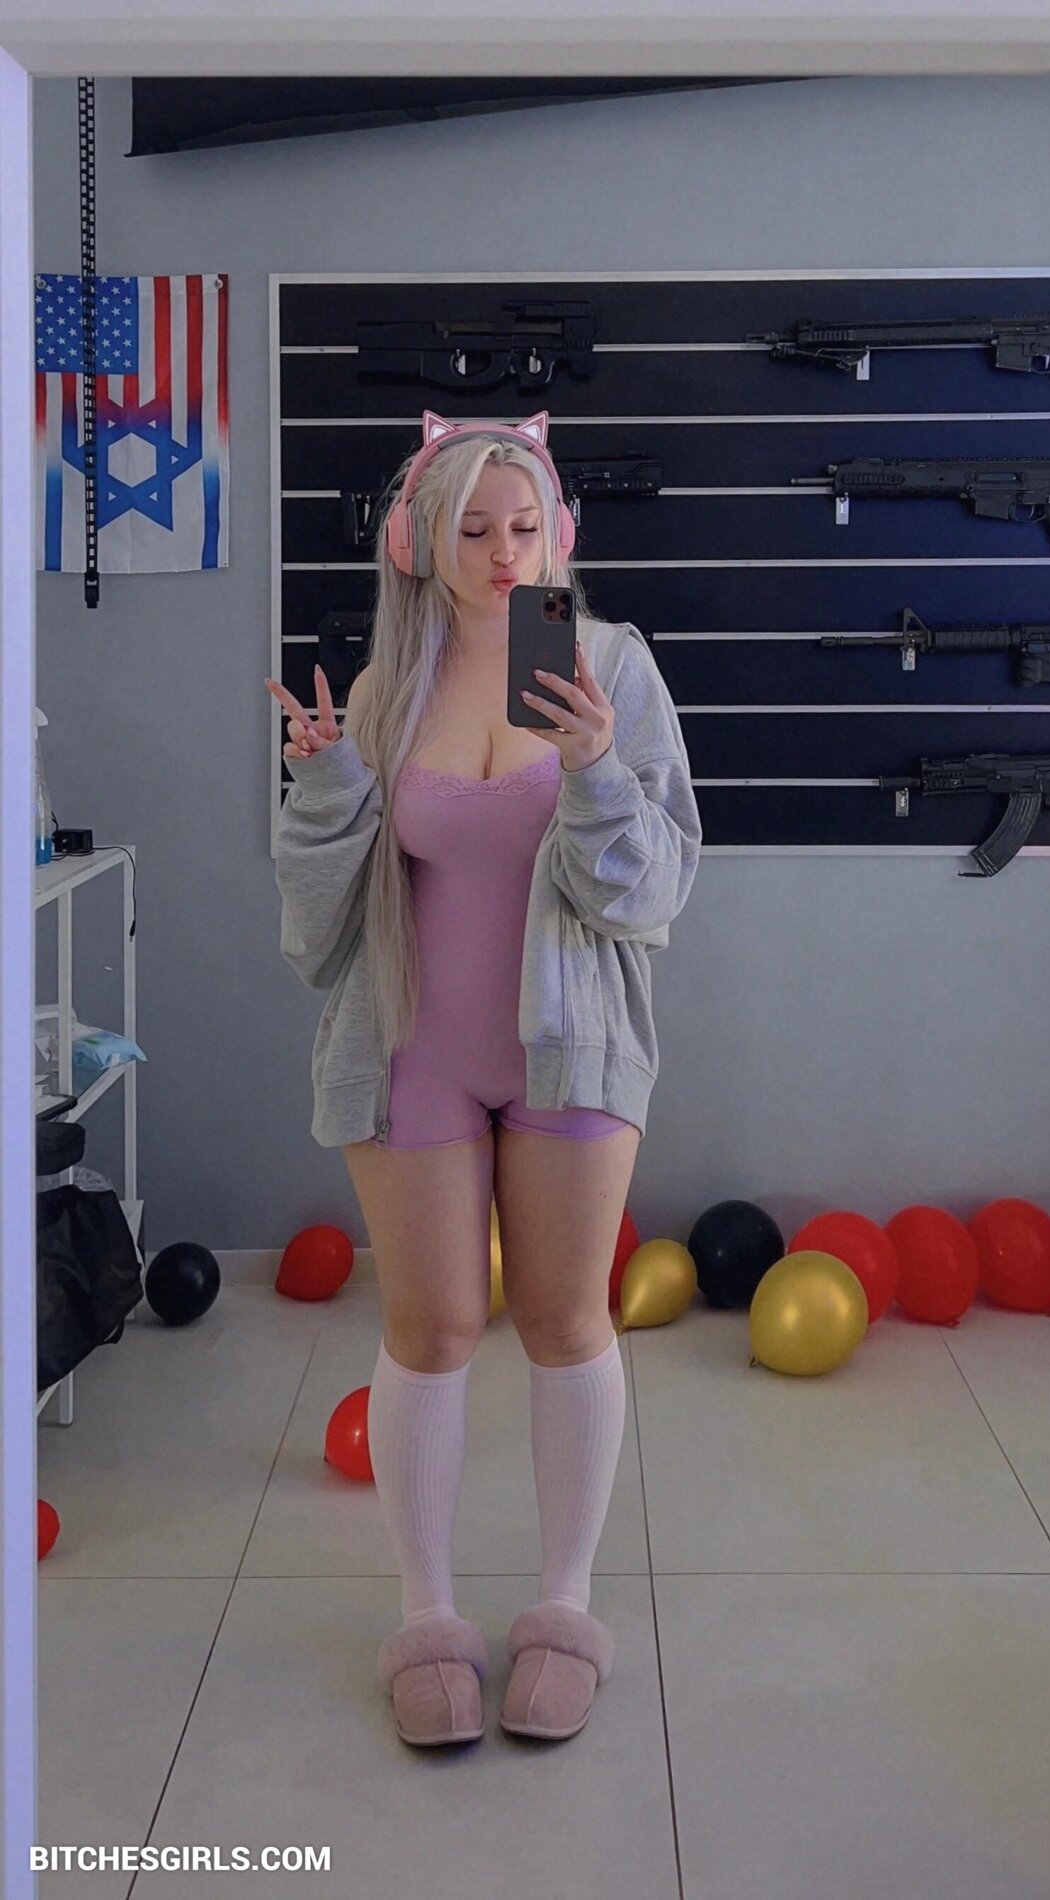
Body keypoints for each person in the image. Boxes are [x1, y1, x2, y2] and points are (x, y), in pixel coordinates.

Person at [266, 409, 702, 1748]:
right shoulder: (387, 688)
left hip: (573, 1050)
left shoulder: (608, 667)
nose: (503, 553)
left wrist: (596, 773)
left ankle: (564, 1609)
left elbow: (655, 892)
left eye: (523, 527)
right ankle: (429, 1617)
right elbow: (318, 928)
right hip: (411, 1055)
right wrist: (324, 788)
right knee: (433, 1328)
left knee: (566, 1321)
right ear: (415, 542)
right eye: (472, 528)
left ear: (559, 532)